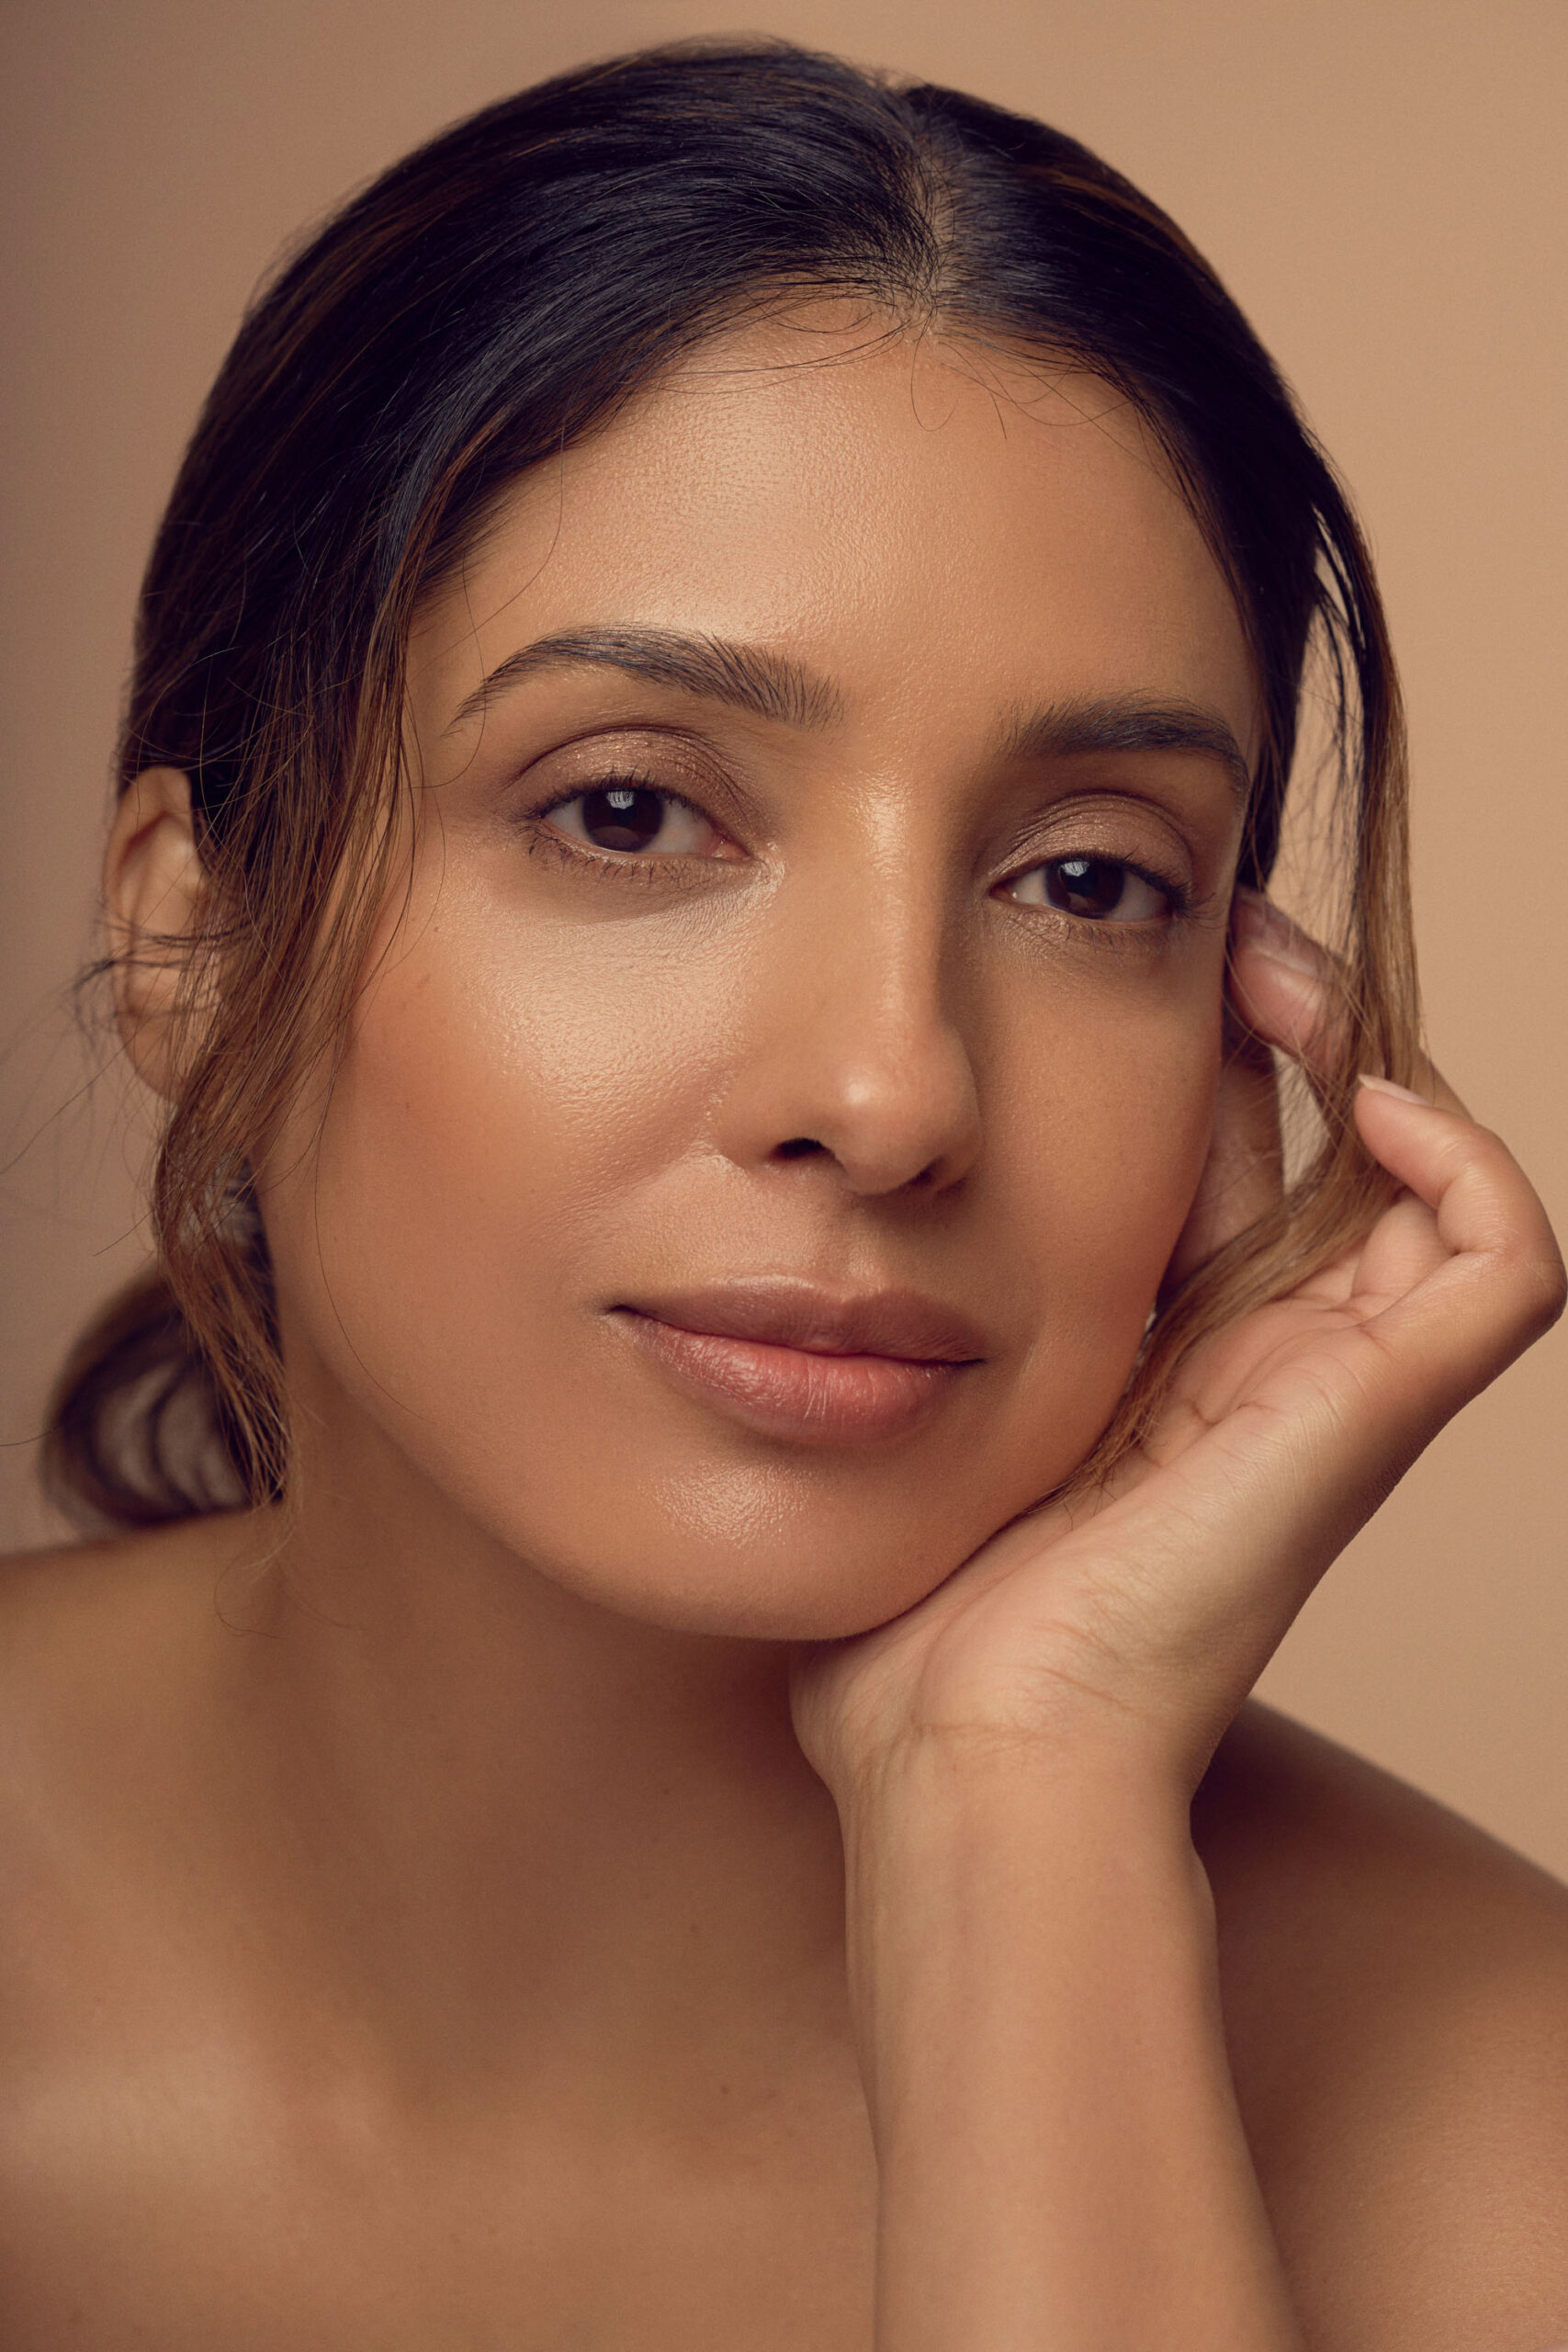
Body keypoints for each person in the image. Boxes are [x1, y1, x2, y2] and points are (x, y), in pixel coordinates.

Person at [2, 39, 1564, 2347]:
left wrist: (1011, 1821)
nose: (888, 1084)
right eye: (629, 813)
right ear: (188, 934)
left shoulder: (1499, 2149)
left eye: (1080, 875)